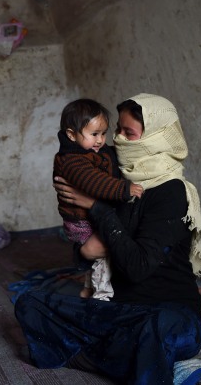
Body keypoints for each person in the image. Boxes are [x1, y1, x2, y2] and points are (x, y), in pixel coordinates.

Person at [15, 93, 201, 384]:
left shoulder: (171, 192)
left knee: (154, 328)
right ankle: (118, 355)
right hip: (118, 312)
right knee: (30, 303)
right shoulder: (116, 179)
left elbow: (137, 267)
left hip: (168, 313)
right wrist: (83, 253)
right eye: (116, 129)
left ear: (155, 137)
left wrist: (96, 208)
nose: (115, 139)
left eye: (126, 132)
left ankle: (92, 353)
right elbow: (89, 251)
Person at [53, 98, 143, 299]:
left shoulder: (94, 150)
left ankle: (87, 288)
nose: (100, 140)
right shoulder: (72, 160)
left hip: (89, 215)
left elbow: (109, 161)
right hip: (81, 221)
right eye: (94, 134)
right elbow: (95, 181)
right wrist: (124, 189)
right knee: (104, 254)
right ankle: (101, 295)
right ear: (71, 134)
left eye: (103, 133)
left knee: (101, 255)